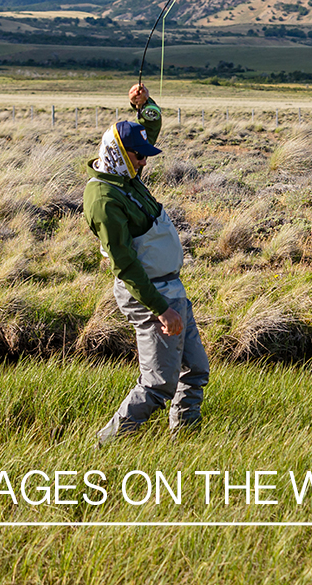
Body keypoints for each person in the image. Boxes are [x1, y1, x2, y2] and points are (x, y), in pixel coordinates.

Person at [84, 83, 209, 444]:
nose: (145, 161)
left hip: (171, 288)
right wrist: (160, 310)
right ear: (120, 155)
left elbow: (147, 129)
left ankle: (184, 441)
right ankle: (104, 444)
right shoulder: (105, 200)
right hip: (151, 294)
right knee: (157, 385)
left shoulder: (125, 174)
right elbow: (125, 266)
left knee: (196, 370)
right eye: (139, 156)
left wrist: (145, 105)